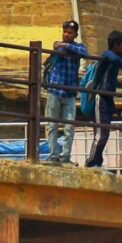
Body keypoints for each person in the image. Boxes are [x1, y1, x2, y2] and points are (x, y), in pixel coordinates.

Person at [81, 32, 122, 170]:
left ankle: (97, 160)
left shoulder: (116, 57)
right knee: (101, 133)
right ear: (115, 45)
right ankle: (91, 162)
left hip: (108, 99)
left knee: (106, 132)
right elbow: (119, 61)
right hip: (100, 97)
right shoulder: (107, 55)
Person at [40, 21, 87, 165]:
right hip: (55, 89)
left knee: (69, 127)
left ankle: (65, 156)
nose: (66, 35)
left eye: (70, 32)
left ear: (75, 35)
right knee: (52, 125)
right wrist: (63, 46)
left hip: (70, 92)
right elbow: (57, 47)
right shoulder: (57, 44)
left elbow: (84, 52)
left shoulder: (78, 47)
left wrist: (66, 46)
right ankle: (53, 154)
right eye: (65, 32)